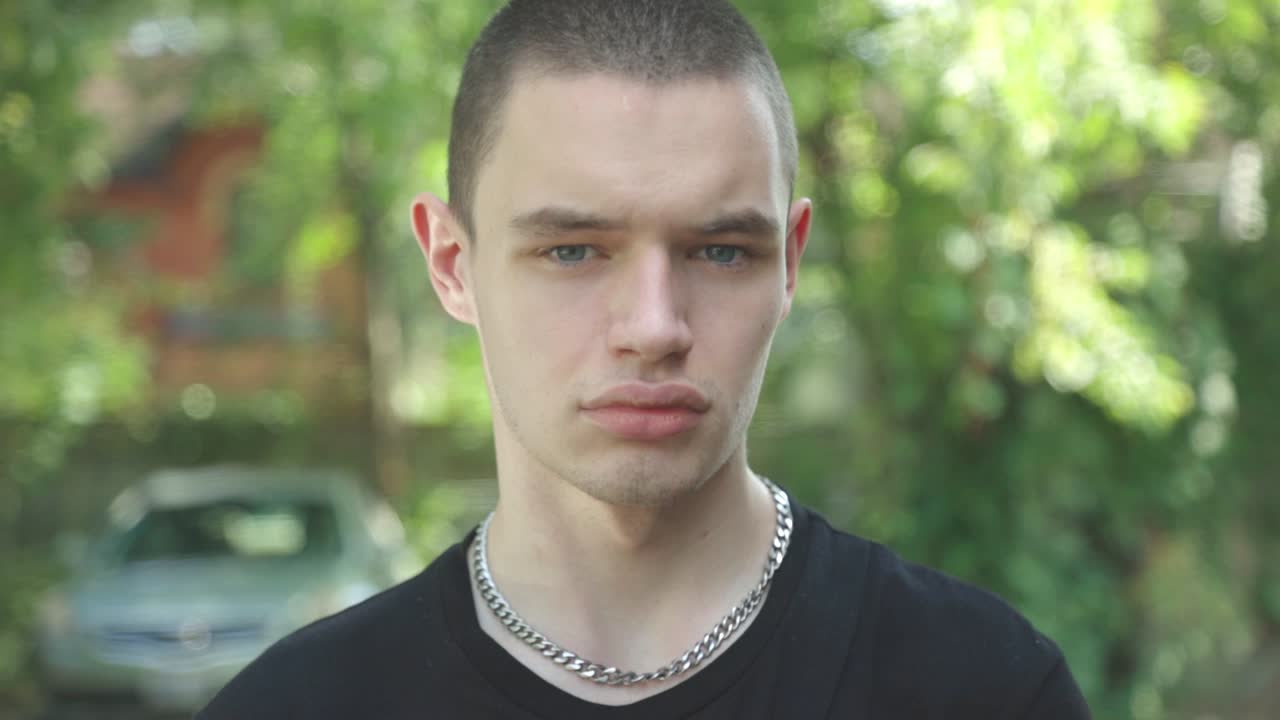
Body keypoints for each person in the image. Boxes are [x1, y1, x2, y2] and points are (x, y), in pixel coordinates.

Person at [199, 0, 1091, 717]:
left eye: (720, 251)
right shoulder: (299, 703)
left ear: (790, 262)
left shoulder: (980, 686)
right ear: (451, 265)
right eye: (574, 250)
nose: (655, 327)